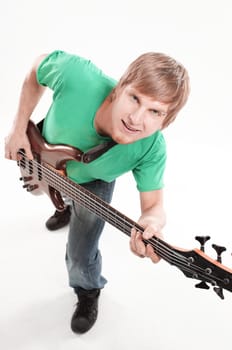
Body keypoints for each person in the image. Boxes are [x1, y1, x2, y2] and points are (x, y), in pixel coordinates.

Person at [4, 50, 190, 334]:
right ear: (119, 88)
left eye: (155, 112)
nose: (136, 119)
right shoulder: (78, 76)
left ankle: (88, 290)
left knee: (81, 253)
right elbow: (35, 71)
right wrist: (18, 129)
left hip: (94, 183)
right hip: (43, 152)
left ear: (166, 122)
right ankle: (62, 205)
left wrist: (151, 224)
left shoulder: (151, 148)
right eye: (135, 98)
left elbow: (153, 207)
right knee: (36, 190)